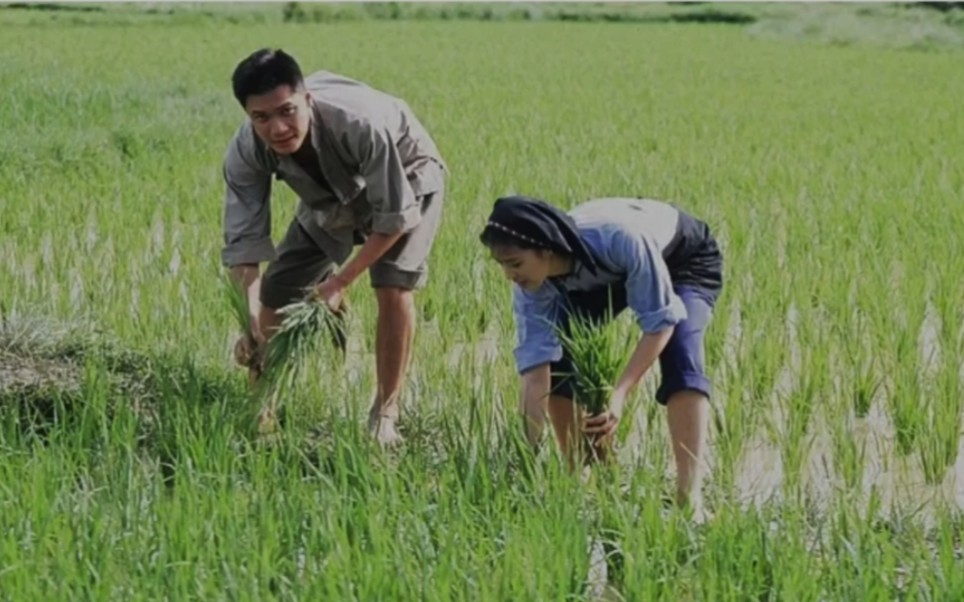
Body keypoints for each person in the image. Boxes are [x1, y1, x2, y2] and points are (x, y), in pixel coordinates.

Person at [220, 48, 447, 445]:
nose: (277, 128)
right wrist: (251, 319)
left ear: (307, 99)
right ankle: (260, 408)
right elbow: (244, 244)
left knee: (392, 284)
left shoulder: (360, 124)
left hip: (407, 175)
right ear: (248, 116)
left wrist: (341, 281)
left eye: (286, 111)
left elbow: (392, 216)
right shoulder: (245, 152)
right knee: (276, 292)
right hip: (326, 194)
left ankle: (386, 413)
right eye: (261, 117)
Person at [479, 195, 723, 512]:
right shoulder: (532, 287)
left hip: (681, 259)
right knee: (562, 355)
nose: (509, 275)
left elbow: (660, 324)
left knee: (681, 352)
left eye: (515, 264)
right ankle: (576, 475)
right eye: (502, 265)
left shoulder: (620, 238)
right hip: (600, 276)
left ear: (546, 249)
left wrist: (618, 395)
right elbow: (536, 375)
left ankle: (689, 497)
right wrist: (524, 460)